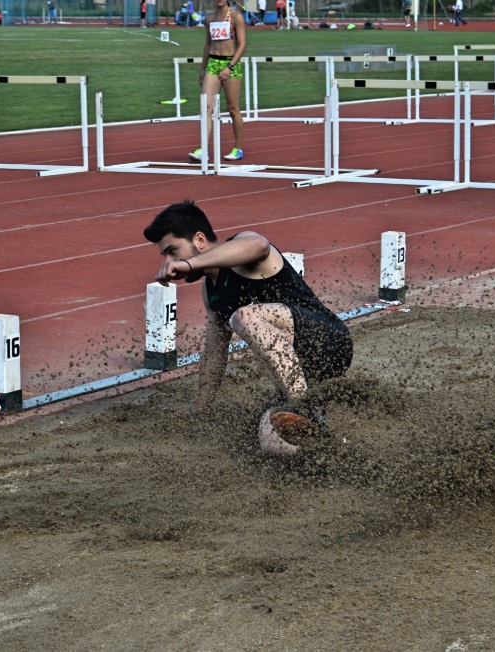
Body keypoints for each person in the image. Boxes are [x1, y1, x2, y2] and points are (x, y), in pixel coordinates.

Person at [144, 201, 353, 456]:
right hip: (303, 373)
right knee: (270, 438)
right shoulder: (210, 291)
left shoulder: (242, 248)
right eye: (165, 256)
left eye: (173, 251)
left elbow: (260, 245)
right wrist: (201, 410)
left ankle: (304, 408)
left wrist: (188, 265)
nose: (169, 261)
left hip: (328, 340)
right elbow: (214, 354)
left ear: (199, 239)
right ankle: (327, 451)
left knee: (244, 317)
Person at [189, 0, 246, 162]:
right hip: (213, 64)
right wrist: (202, 68)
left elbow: (242, 45)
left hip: (230, 64)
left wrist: (230, 66)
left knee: (233, 109)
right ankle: (203, 150)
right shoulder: (209, 18)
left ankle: (238, 149)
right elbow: (208, 45)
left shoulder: (236, 17)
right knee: (206, 107)